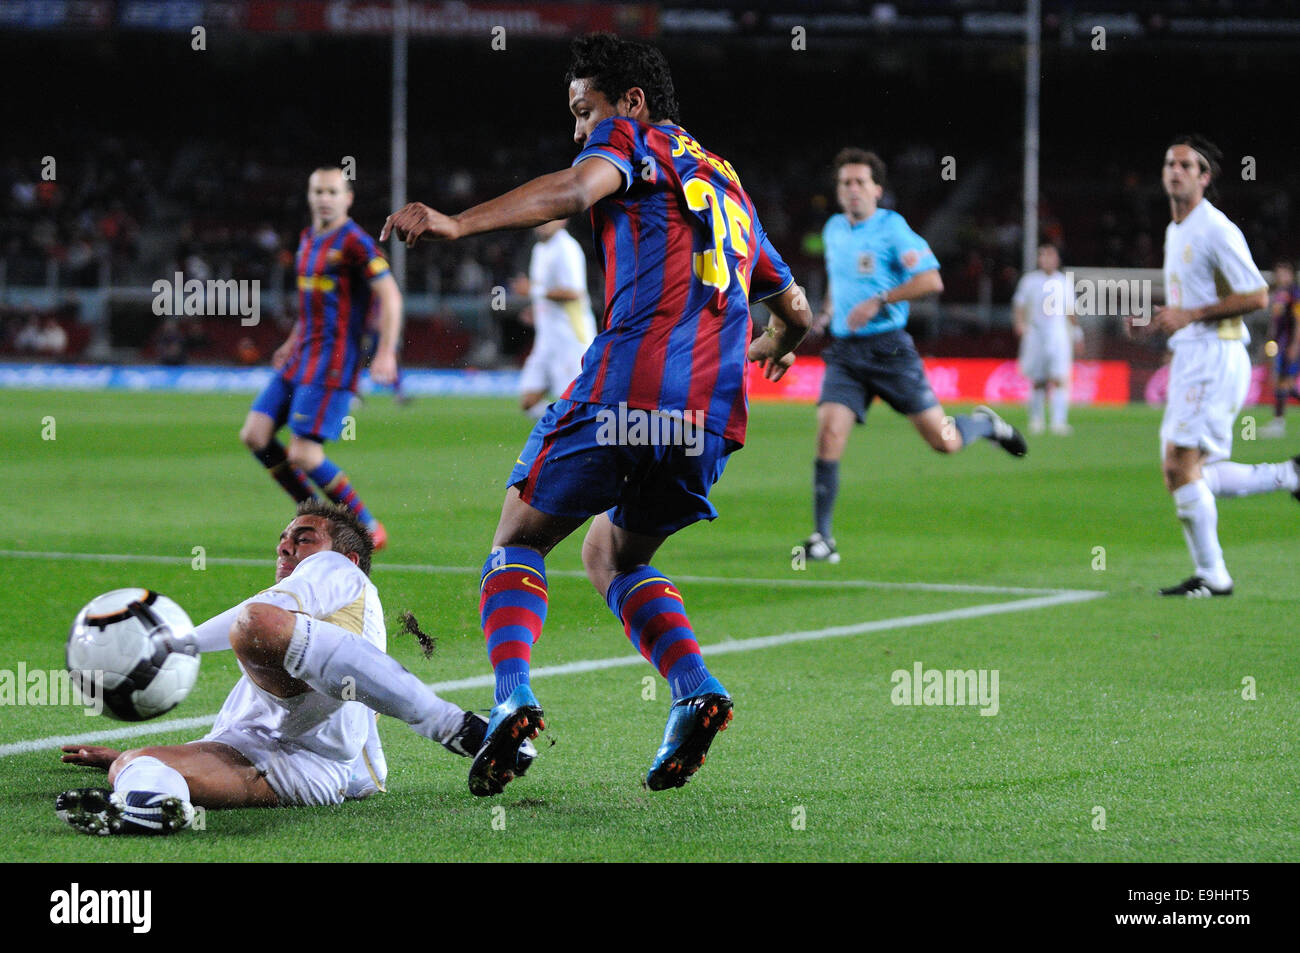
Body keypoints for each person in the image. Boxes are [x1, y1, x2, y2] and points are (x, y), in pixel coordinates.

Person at [383, 32, 811, 796]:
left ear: (631, 102)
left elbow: (579, 190)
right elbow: (798, 307)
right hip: (706, 420)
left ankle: (513, 694)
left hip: (629, 387)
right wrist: (779, 341)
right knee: (612, 555)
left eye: (585, 111)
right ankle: (692, 688)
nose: (580, 130)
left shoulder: (633, 139)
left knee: (517, 539)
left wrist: (457, 222)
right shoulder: (729, 185)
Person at [56, 500, 532, 835]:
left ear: (346, 557)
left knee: (256, 623)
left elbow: (255, 620)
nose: (285, 548)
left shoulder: (341, 573)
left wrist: (173, 645)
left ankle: (457, 727)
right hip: (301, 769)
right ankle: (152, 811)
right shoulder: (287, 618)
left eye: (302, 539)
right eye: (282, 541)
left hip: (320, 739)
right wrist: (131, 759)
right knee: (135, 764)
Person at [799, 149, 1027, 565]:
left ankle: (983, 424)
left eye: (859, 183)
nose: (851, 190)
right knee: (828, 436)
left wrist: (880, 299)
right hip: (846, 353)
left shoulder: (892, 228)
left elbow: (930, 280)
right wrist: (829, 312)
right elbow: (839, 280)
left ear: (877, 190)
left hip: (889, 349)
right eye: (844, 183)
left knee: (945, 441)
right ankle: (822, 538)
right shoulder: (833, 229)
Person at [1139, 135, 1298, 597]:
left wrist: (1188, 316)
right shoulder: (1176, 230)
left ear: (1204, 178)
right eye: (1169, 162)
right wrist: (1156, 324)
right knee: (1186, 469)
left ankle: (1214, 575)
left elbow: (1256, 295)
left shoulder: (1216, 229)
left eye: (1186, 165)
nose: (1175, 170)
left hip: (1217, 355)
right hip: (1193, 355)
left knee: (1180, 464)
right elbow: (1191, 300)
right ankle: (1289, 475)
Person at [239, 167, 403, 551]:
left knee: (304, 454)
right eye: (318, 191)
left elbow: (391, 296)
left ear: (347, 198)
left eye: (333, 191)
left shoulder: (356, 243)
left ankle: (366, 526)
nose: (325, 198)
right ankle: (309, 512)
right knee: (255, 435)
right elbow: (310, 302)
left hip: (332, 361)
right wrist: (292, 339)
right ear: (310, 196)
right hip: (301, 355)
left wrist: (384, 353)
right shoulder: (307, 239)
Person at [510, 218, 597, 419]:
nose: (542, 224)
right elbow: (546, 292)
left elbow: (574, 293)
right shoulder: (540, 250)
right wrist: (537, 309)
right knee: (528, 401)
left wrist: (533, 290)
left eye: (550, 220)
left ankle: (576, 438)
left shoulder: (567, 248)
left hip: (570, 338)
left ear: (563, 221)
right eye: (541, 219)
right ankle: (564, 430)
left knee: (570, 402)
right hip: (547, 339)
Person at [1013, 242, 1080, 435]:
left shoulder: (1064, 281)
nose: (1046, 259)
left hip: (1058, 334)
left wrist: (1077, 333)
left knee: (1059, 378)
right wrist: (1019, 324)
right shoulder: (1029, 280)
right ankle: (1037, 420)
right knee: (1037, 379)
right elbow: (1019, 304)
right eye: (1042, 255)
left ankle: (1059, 422)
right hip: (1035, 334)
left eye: (1050, 255)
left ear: (1057, 259)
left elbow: (1071, 310)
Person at [1260, 260, 1299, 438]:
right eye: (1279, 273)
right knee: (1284, 383)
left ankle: (1278, 423)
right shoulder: (1278, 293)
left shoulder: (1294, 293)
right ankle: (1278, 422)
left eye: (1284, 273)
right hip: (1279, 343)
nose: (1281, 276)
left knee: (1284, 382)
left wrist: (1295, 345)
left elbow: (1298, 321)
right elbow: (1274, 322)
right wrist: (1270, 342)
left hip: (1290, 343)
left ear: (1291, 275)